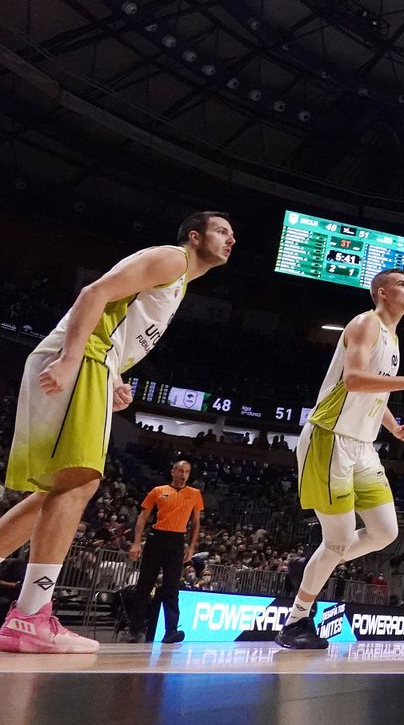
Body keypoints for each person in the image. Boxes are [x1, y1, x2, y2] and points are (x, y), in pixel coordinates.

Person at [0, 211, 234, 654]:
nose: (231, 240)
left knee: (53, 493)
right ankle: (31, 616)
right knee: (81, 481)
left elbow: (115, 322)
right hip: (80, 358)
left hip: (95, 365)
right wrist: (73, 359)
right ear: (194, 235)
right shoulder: (173, 259)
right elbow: (94, 293)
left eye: (233, 235)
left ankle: (29, 615)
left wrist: (114, 379)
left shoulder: (179, 282)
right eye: (222, 231)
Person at [275, 269, 404, 649]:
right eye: (402, 284)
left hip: (363, 445)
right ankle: (295, 622)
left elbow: (373, 395)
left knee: (384, 531)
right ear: (381, 292)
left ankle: (311, 565)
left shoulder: (393, 339)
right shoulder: (366, 323)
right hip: (330, 439)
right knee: (338, 541)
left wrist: (395, 428)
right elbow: (354, 381)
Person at [128, 460, 204, 644]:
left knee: (171, 587)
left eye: (186, 471)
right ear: (172, 471)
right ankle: (135, 629)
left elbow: (196, 522)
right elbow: (143, 517)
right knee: (144, 585)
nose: (183, 474)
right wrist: (136, 543)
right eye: (180, 470)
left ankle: (171, 631)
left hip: (177, 540)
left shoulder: (194, 494)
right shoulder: (158, 490)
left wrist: (192, 546)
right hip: (156, 537)